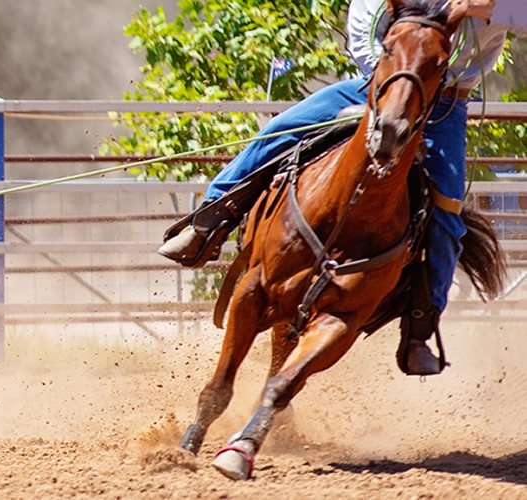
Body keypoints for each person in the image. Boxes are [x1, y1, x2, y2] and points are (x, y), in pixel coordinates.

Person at [157, 0, 527, 375]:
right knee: (277, 133)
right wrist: (395, 86)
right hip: (377, 86)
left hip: (445, 105)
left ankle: (420, 326)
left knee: (447, 212)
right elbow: (363, 21)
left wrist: (493, 9)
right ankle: (209, 220)